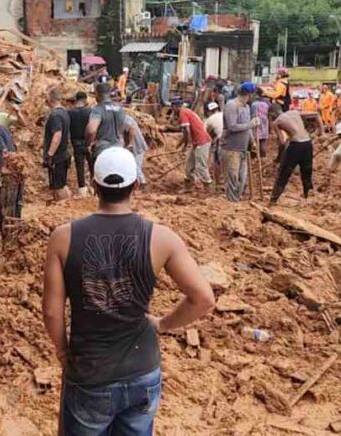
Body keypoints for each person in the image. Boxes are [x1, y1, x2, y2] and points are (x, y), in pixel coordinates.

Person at [42, 147, 215, 435]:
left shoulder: (63, 238)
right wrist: (163, 324)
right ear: (135, 186)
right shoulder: (161, 238)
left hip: (90, 372)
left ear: (94, 185)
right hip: (142, 371)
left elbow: (51, 311)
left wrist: (62, 351)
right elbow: (203, 298)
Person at [221, 83, 260, 202]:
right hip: (231, 148)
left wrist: (252, 142)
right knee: (233, 178)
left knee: (242, 178)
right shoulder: (232, 106)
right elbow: (232, 126)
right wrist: (251, 124)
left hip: (243, 148)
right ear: (248, 94)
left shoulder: (247, 107)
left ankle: (236, 200)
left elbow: (247, 129)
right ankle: (232, 203)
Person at [268, 107, 313, 205]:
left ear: (272, 115)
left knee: (283, 173)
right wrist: (322, 132)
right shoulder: (294, 112)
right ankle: (307, 195)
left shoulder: (277, 122)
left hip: (296, 145)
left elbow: (282, 143)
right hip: (308, 143)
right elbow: (316, 114)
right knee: (306, 171)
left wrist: (280, 158)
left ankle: (273, 199)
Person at [86, 83, 129, 166]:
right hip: (119, 149)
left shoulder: (98, 109)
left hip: (102, 149)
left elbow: (91, 130)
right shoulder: (120, 109)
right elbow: (127, 127)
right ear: (109, 93)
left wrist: (88, 143)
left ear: (97, 94)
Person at [174, 98, 213, 190]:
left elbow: (187, 131)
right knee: (189, 165)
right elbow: (186, 132)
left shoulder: (183, 113)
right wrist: (180, 144)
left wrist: (185, 145)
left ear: (175, 106)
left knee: (201, 167)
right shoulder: (187, 111)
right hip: (197, 142)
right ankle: (188, 187)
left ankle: (209, 187)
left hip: (202, 142)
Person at [43, 88, 72, 201]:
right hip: (63, 154)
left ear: (50, 99)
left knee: (59, 187)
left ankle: (65, 206)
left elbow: (57, 135)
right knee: (59, 185)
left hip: (58, 157)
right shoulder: (64, 112)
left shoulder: (56, 115)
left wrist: (50, 155)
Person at [68, 92, 93, 196]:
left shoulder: (70, 112)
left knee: (80, 167)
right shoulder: (90, 112)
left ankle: (82, 191)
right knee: (92, 166)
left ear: (76, 100)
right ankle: (94, 188)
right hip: (89, 142)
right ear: (85, 100)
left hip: (76, 143)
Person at [124, 113, 148, 185]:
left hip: (137, 145)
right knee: (133, 166)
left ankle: (142, 183)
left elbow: (132, 128)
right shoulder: (122, 117)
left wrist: (130, 144)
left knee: (136, 167)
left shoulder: (124, 118)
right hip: (133, 146)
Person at [205, 102, 225, 187]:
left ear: (209, 111)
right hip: (232, 139)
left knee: (217, 161)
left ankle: (218, 182)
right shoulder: (224, 114)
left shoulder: (209, 119)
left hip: (221, 139)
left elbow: (205, 133)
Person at [251, 92, 270, 158]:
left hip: (256, 122)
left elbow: (252, 114)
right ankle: (263, 156)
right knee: (263, 140)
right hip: (264, 122)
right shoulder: (266, 104)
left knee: (255, 139)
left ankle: (256, 155)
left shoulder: (254, 104)